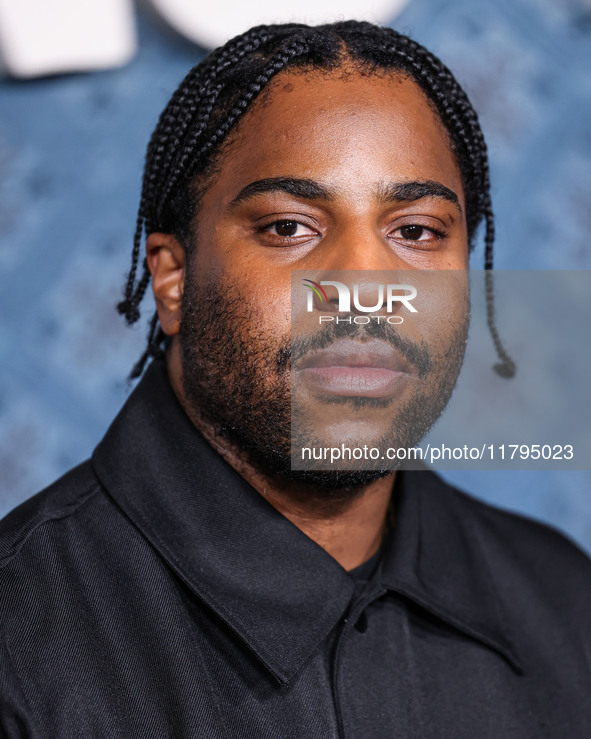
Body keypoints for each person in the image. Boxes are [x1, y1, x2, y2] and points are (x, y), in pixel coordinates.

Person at [0, 20, 589, 738]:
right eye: (289, 227)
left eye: (416, 231)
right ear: (172, 278)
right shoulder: (22, 636)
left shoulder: (563, 602)